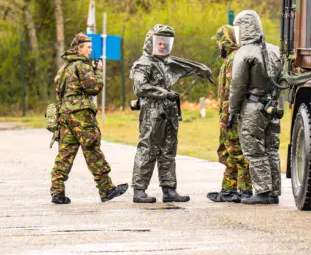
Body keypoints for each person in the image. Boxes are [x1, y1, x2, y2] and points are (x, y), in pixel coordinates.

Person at [131, 24, 213, 203]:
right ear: (151, 42)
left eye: (165, 43)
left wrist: (201, 69)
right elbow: (139, 87)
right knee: (148, 148)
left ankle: (169, 189)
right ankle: (139, 190)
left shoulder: (165, 62)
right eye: (159, 42)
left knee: (169, 148)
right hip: (152, 110)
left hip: (168, 110)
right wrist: (164, 93)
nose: (162, 46)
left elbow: (183, 64)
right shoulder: (144, 63)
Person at [50, 32, 128, 204]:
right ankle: (106, 189)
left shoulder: (64, 68)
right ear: (79, 49)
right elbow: (94, 88)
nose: (90, 50)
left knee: (65, 154)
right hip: (81, 115)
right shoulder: (81, 66)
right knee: (92, 149)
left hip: (65, 115)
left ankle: (57, 191)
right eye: (88, 47)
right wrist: (98, 72)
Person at [228, 10, 282, 205]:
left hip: (252, 106)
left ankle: (262, 192)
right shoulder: (275, 51)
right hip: (272, 106)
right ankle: (274, 192)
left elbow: (237, 85)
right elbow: (282, 80)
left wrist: (232, 110)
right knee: (271, 149)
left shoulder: (244, 53)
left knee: (254, 149)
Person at [207, 25, 253, 203]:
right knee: (229, 152)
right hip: (230, 116)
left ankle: (245, 190)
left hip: (232, 117)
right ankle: (228, 189)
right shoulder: (231, 59)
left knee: (237, 152)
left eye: (219, 41)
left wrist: (226, 118)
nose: (217, 45)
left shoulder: (233, 61)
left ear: (224, 41)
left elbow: (230, 93)